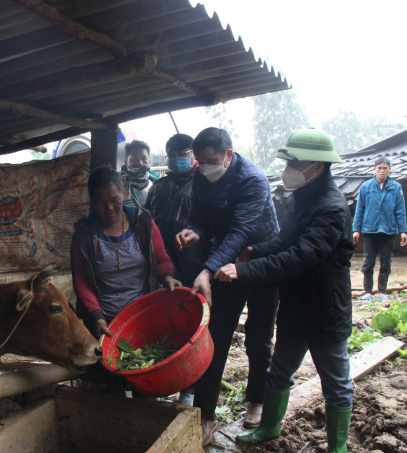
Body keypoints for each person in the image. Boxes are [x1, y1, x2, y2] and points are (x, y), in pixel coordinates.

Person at [216, 128, 354, 453]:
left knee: (336, 384)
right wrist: (255, 250)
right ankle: (268, 427)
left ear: (317, 166)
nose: (288, 167)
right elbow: (284, 242)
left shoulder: (332, 209)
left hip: (325, 311)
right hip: (296, 308)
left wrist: (243, 270)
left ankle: (338, 447)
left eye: (295, 161)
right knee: (278, 372)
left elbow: (298, 258)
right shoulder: (301, 199)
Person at [174, 127, 280, 446]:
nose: (205, 168)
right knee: (216, 335)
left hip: (261, 260)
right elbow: (201, 218)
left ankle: (257, 399)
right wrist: (194, 232)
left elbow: (241, 232)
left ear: (229, 156)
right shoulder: (201, 177)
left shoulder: (253, 180)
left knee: (258, 337)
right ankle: (205, 415)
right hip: (227, 259)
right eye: (200, 162)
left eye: (212, 161)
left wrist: (207, 270)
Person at [71, 166, 181, 340]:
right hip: (107, 322)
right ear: (92, 202)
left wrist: (167, 276)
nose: (109, 208)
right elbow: (81, 281)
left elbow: (162, 259)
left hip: (145, 315)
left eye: (115, 199)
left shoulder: (143, 222)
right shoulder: (84, 234)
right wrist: (97, 317)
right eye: (101, 203)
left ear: (123, 194)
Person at [145, 133, 203, 288]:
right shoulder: (158, 187)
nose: (176, 159)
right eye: (171, 155)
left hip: (192, 261)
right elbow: (146, 220)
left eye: (182, 154)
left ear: (194, 154)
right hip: (161, 259)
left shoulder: (202, 185)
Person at [352, 157, 407, 301]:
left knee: (386, 261)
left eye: (385, 168)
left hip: (389, 230)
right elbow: (360, 209)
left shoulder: (396, 188)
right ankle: (367, 292)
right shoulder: (366, 187)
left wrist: (403, 230)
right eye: (379, 168)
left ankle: (381, 291)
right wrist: (356, 229)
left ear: (389, 170)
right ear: (374, 169)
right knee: (368, 261)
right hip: (370, 230)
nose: (382, 171)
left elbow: (400, 211)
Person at [120, 140, 155, 208]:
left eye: (144, 158)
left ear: (149, 161)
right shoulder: (118, 184)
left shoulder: (155, 185)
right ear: (126, 161)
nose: (140, 163)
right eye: (134, 159)